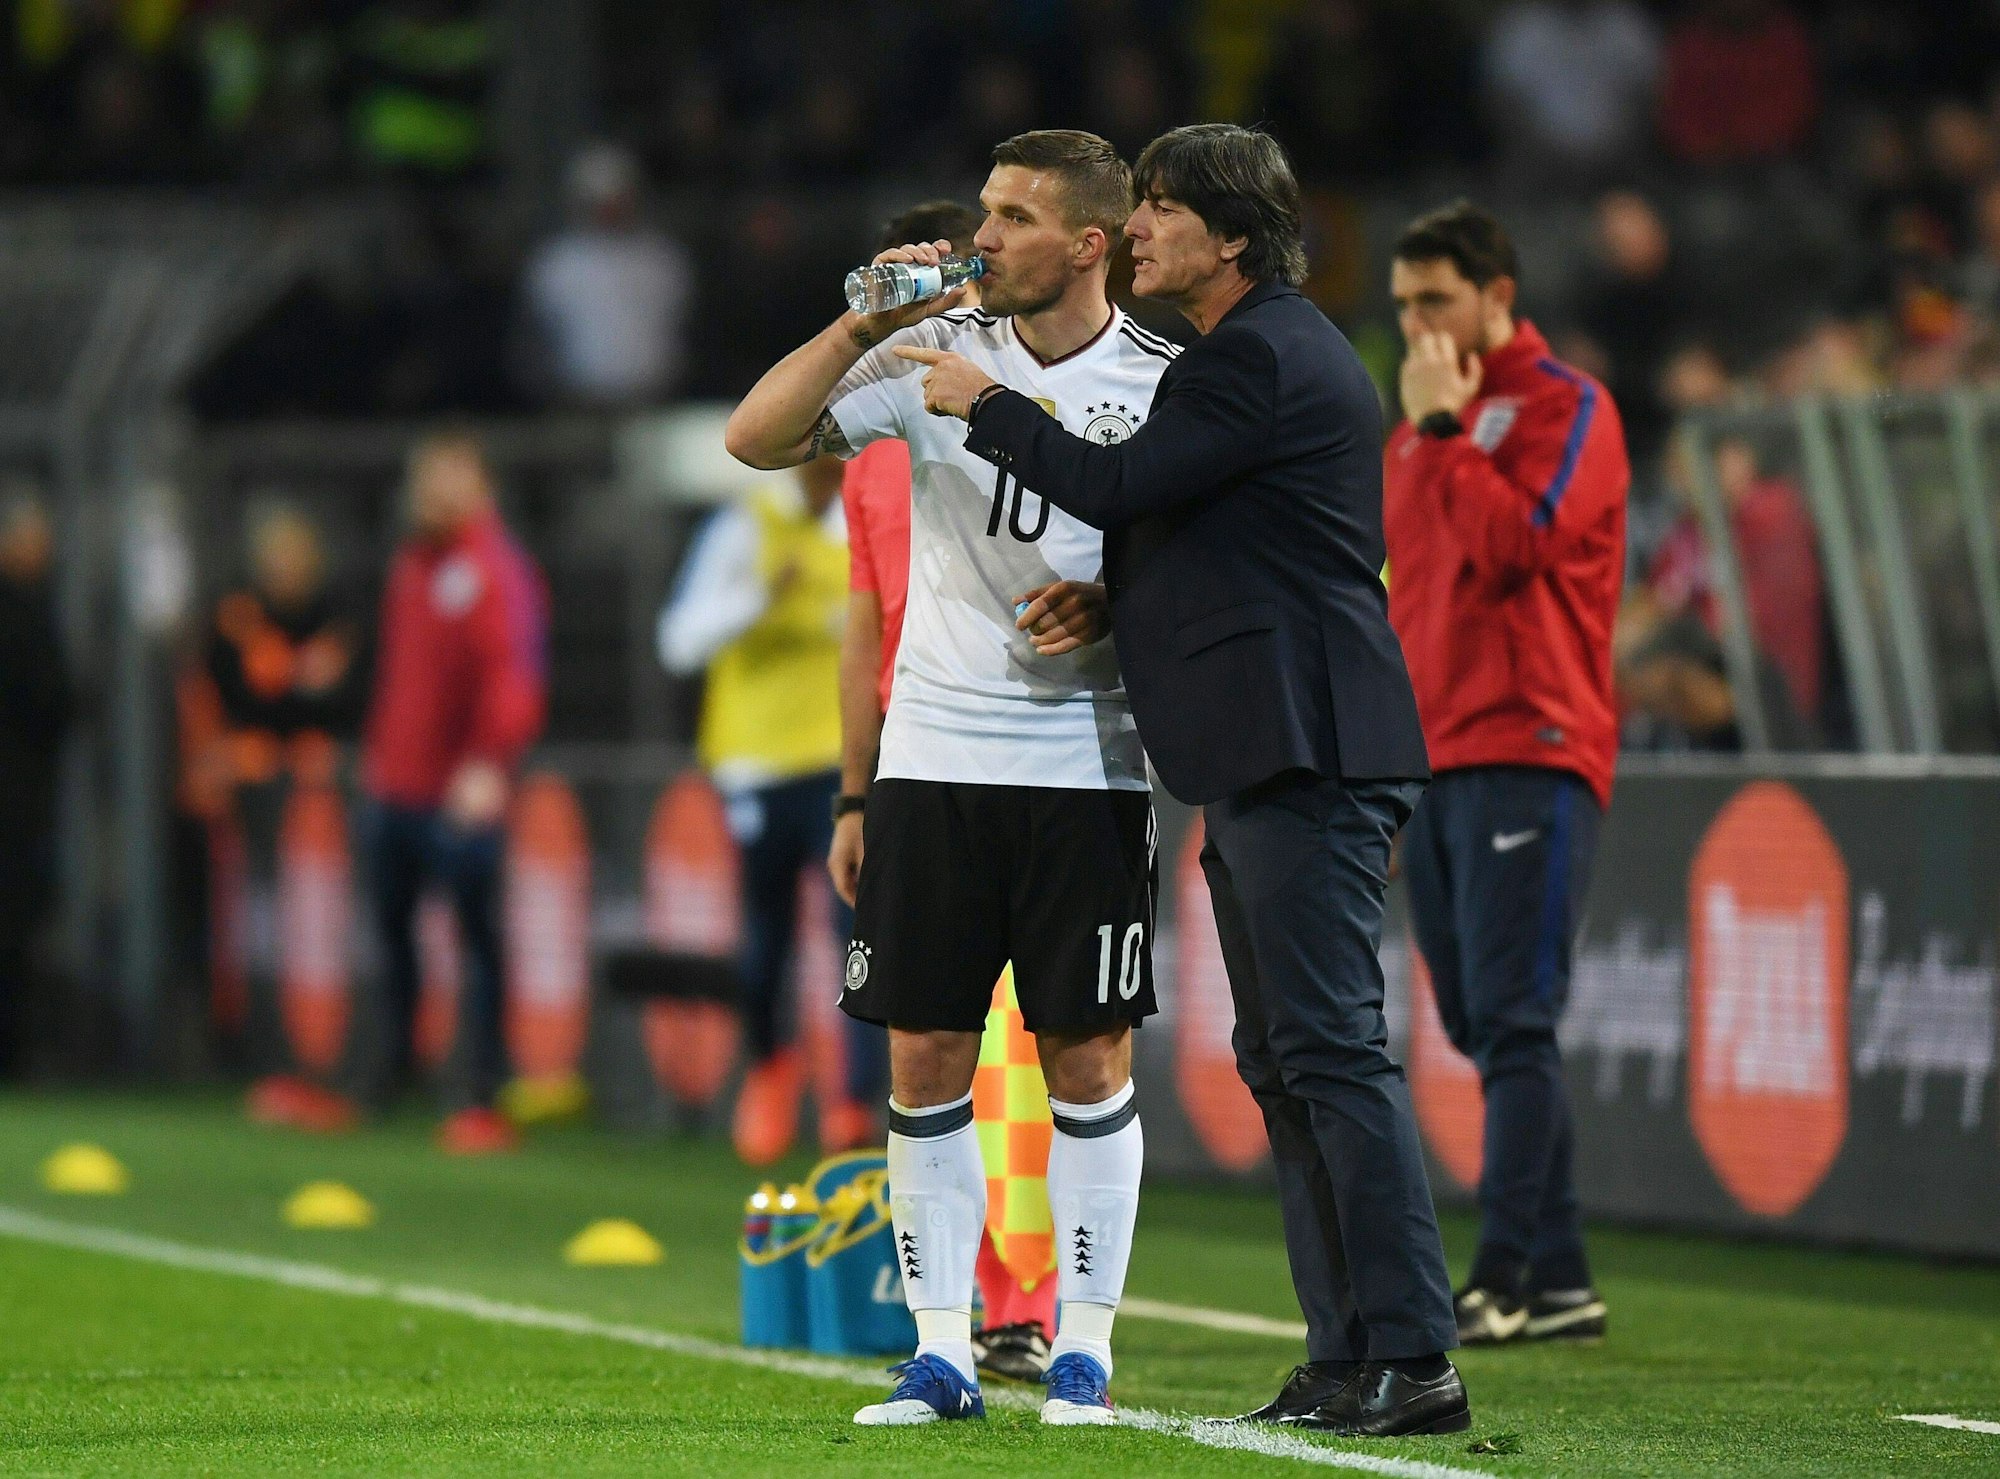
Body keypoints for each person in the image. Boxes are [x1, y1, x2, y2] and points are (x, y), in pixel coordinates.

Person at [901, 123, 1463, 1439]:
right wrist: (1112, 596)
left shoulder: (1256, 355)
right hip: (1261, 745)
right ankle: (1345, 1350)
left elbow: (1110, 480)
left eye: (1160, 210)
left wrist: (984, 405)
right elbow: (1198, 532)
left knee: (1328, 1050)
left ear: (1230, 235)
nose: (1138, 227)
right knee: (1283, 1053)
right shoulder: (1255, 355)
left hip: (1303, 744)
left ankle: (1416, 1351)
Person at [727, 129, 1165, 1430]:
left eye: (1016, 215)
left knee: (1085, 1055)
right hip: (934, 755)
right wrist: (862, 319)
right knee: (923, 1051)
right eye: (983, 208)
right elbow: (757, 438)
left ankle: (1083, 1342)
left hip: (1089, 763)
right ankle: (940, 1346)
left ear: (1089, 243)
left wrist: (1116, 602)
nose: (985, 235)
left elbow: (1211, 554)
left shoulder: (1161, 377)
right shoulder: (933, 352)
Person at [1382, 202, 1627, 1347]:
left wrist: (1440, 436)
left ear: (1496, 293)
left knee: (1514, 1020)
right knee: (1484, 1026)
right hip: (1430, 759)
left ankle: (1509, 1276)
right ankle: (1562, 1271)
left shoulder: (1563, 407)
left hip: (1528, 744)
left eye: (1434, 299)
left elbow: (1521, 547)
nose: (1416, 324)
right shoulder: (1416, 430)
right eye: (1401, 306)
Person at [830, 197, 1064, 1385]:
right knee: (932, 1051)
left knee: (1031, 1048)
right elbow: (863, 616)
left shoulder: (1016, 400)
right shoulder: (872, 433)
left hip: (1034, 750)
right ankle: (957, 1308)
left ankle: (1029, 1301)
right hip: (916, 767)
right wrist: (851, 797)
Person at [658, 453, 874, 1165]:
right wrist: (758, 597)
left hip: (839, 763)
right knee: (766, 932)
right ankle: (771, 1068)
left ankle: (855, 1097)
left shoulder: (860, 524)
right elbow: (679, 641)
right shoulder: (744, 527)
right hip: (754, 762)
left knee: (858, 927)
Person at [354, 430, 548, 1154]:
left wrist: (490, 763)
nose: (430, 493)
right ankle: (397, 1065)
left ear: (480, 485)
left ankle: (482, 1085)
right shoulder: (410, 566)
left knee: (477, 939)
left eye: (446, 478)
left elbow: (514, 678)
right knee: (393, 933)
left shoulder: (496, 569)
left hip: (459, 791)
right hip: (395, 783)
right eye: (424, 477)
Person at [524, 142, 692, 407]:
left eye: (617, 199)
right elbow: (540, 334)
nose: (609, 209)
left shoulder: (661, 258)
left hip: (656, 398)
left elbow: (679, 323)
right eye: (599, 200)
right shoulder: (557, 262)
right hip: (578, 400)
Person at [0, 489, 70, 1078]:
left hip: (24, 795)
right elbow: (45, 698)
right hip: (16, 799)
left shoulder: (34, 605)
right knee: (15, 920)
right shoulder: (22, 611)